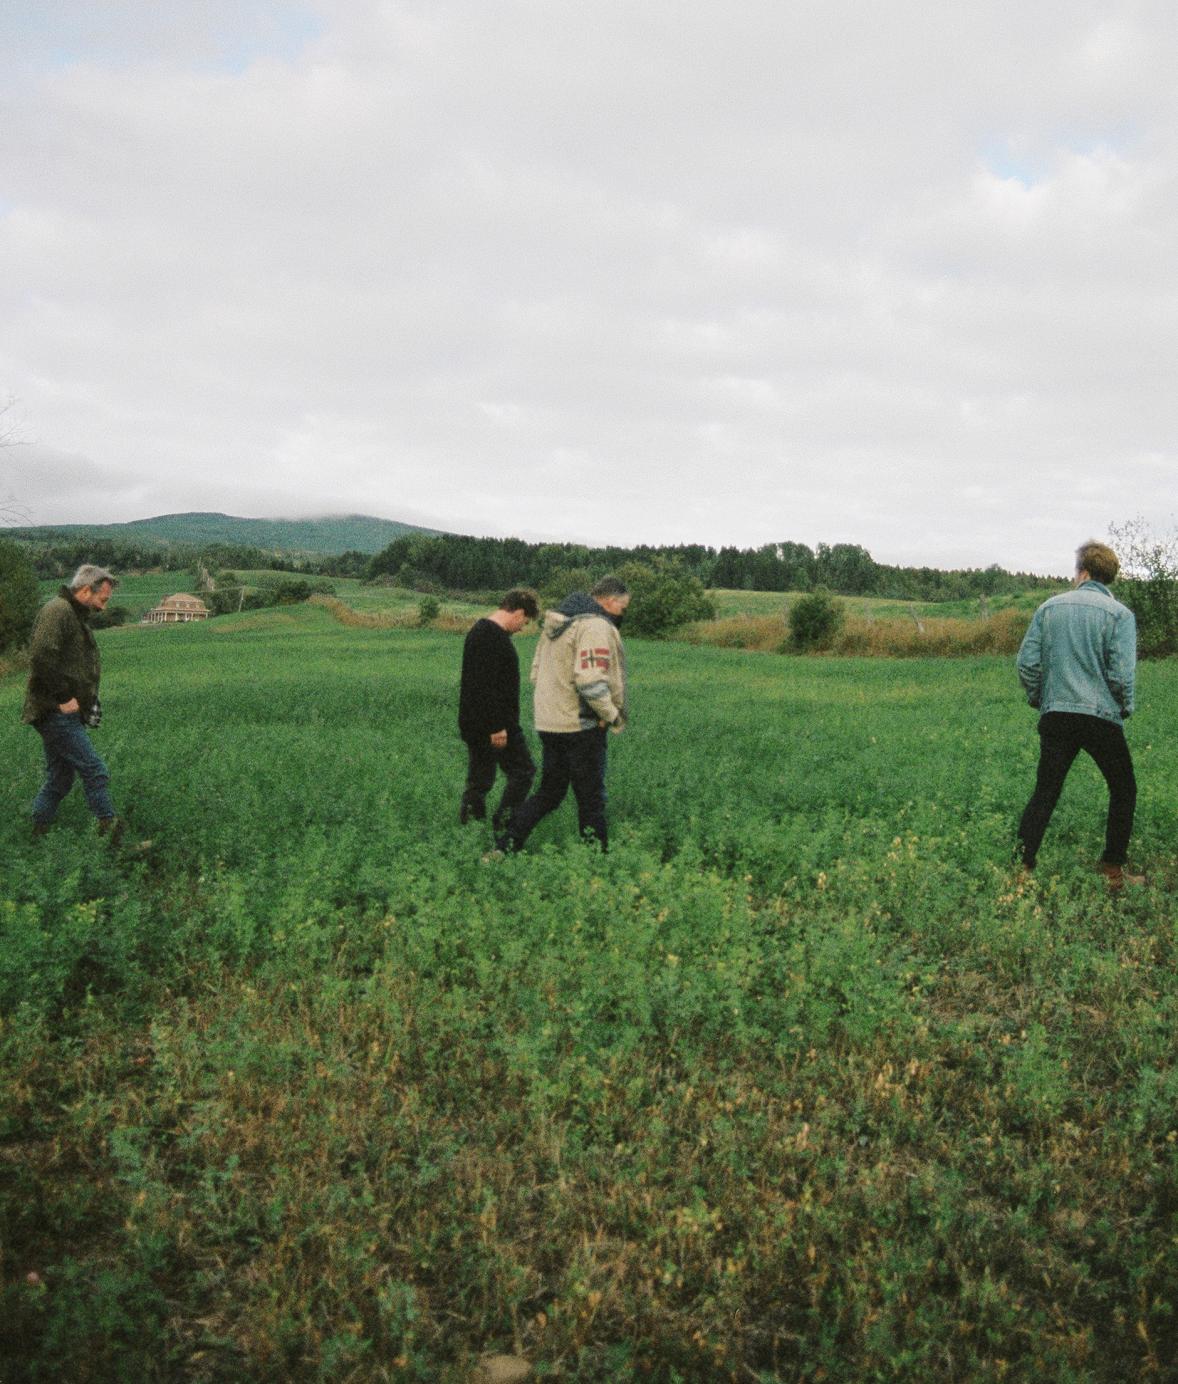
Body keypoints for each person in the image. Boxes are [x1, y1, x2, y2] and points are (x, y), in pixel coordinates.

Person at [1015, 540, 1142, 887]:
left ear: (1083, 572)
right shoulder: (1120, 616)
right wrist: (1123, 707)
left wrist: (1043, 699)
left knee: (1046, 790)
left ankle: (1021, 872)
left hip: (1057, 715)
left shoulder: (1048, 608)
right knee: (1123, 788)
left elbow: (1027, 664)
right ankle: (1112, 872)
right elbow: (1120, 675)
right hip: (1101, 716)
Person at [499, 576, 630, 853]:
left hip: (550, 724)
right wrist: (612, 715)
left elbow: (535, 674)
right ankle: (598, 863)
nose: (622, 614)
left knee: (549, 793)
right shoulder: (594, 626)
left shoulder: (554, 626)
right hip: (582, 727)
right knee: (591, 801)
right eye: (623, 607)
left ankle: (504, 847)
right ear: (609, 601)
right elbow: (591, 682)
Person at [23, 564, 122, 839]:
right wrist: (64, 697)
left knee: (60, 779)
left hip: (60, 712)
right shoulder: (58, 611)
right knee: (95, 771)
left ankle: (36, 836)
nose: (103, 607)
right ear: (86, 590)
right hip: (55, 711)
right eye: (102, 599)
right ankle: (112, 841)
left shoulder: (74, 616)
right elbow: (41, 656)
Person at [458, 588, 540, 834]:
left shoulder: (483, 632)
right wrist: (497, 727)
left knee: (480, 779)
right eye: (524, 622)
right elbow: (484, 687)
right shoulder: (490, 637)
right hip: (494, 727)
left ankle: (472, 831)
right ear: (518, 612)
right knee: (523, 771)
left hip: (481, 724)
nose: (522, 628)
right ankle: (502, 824)